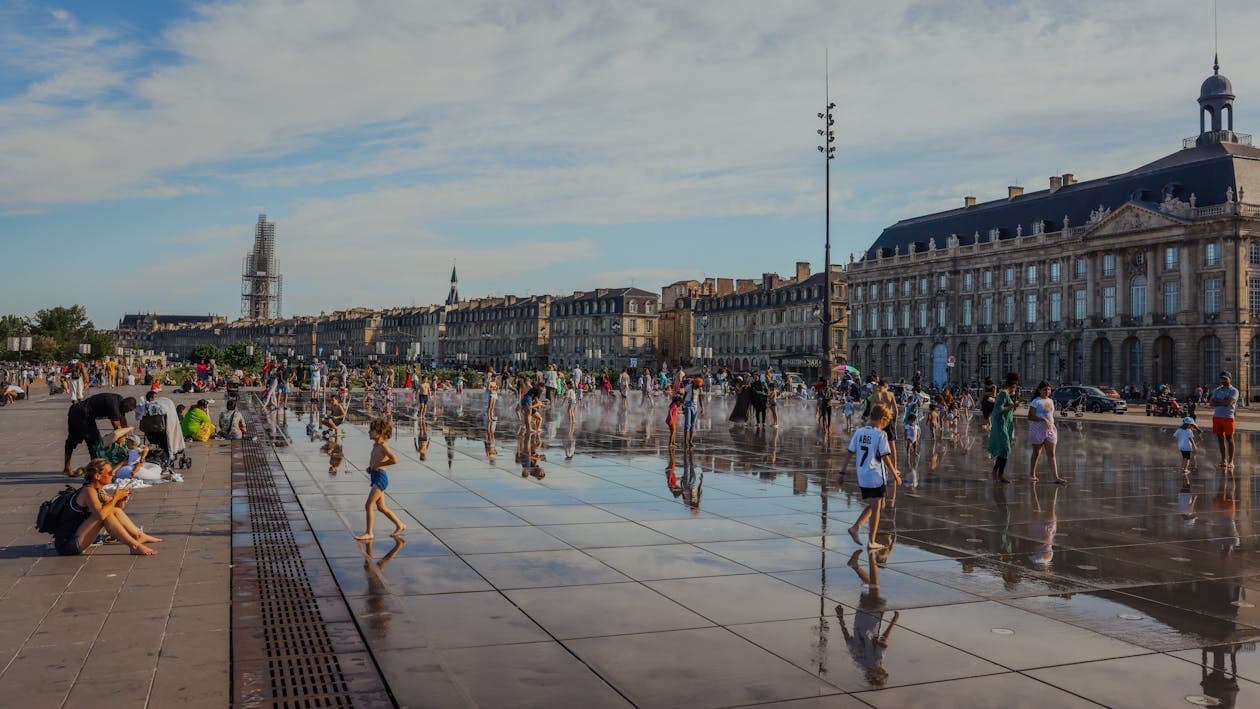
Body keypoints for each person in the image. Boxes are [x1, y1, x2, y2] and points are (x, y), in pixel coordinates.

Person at [53, 459, 160, 556]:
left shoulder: (98, 490)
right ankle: (134, 545)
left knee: (111, 510)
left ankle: (138, 535)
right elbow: (102, 515)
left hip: (78, 537)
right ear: (97, 476)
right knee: (104, 515)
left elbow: (117, 511)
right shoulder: (88, 491)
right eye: (109, 472)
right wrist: (115, 497)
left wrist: (120, 500)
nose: (113, 473)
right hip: (67, 545)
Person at [842, 403, 901, 550]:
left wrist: (842, 472)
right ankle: (871, 540)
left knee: (875, 504)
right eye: (886, 422)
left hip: (862, 474)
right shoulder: (881, 434)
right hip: (876, 474)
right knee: (877, 508)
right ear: (882, 419)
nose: (886, 425)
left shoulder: (859, 432)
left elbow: (850, 452)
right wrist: (895, 474)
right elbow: (886, 457)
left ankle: (856, 527)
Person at [354, 417, 407, 540]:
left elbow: (394, 460)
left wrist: (379, 465)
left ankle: (369, 532)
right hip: (375, 475)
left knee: (368, 505)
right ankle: (400, 525)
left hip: (380, 479)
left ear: (379, 432)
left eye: (371, 430)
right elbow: (376, 460)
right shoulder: (376, 445)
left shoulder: (383, 446)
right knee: (381, 507)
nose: (368, 432)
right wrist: (371, 467)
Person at [63, 392, 137, 476]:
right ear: (126, 405)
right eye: (129, 410)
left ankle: (68, 468)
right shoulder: (113, 406)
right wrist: (124, 443)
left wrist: (127, 433)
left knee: (72, 441)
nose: (128, 412)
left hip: (77, 410)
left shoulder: (120, 400)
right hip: (82, 414)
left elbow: (123, 420)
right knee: (95, 443)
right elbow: (117, 429)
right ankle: (94, 471)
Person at [1027, 380, 1067, 485]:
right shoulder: (1036, 401)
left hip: (1050, 429)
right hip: (1038, 428)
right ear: (1040, 390)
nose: (1047, 391)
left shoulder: (1050, 401)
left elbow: (1050, 415)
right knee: (1036, 453)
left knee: (1052, 454)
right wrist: (1043, 419)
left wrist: (1048, 422)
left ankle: (1056, 477)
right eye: (1045, 389)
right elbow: (1030, 416)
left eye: (1048, 389)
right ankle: (1032, 474)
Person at [987, 372, 1020, 484]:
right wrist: (1012, 405)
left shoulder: (1005, 395)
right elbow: (999, 409)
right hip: (1001, 425)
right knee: (1005, 449)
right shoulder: (1003, 394)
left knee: (1003, 450)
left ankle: (995, 472)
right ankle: (1000, 474)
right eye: (1015, 387)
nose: (1015, 390)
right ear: (1013, 386)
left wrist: (1012, 405)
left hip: (1005, 425)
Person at [1209, 371, 1239, 470]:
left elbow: (1229, 403)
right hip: (1217, 417)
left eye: (1225, 378)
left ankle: (1231, 461)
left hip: (1228, 417)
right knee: (1220, 439)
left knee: (1229, 438)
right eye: (1222, 378)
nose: (1223, 380)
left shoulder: (1234, 391)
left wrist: (1218, 401)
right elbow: (1211, 403)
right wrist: (1223, 402)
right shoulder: (1216, 390)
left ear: (1230, 379)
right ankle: (1223, 460)